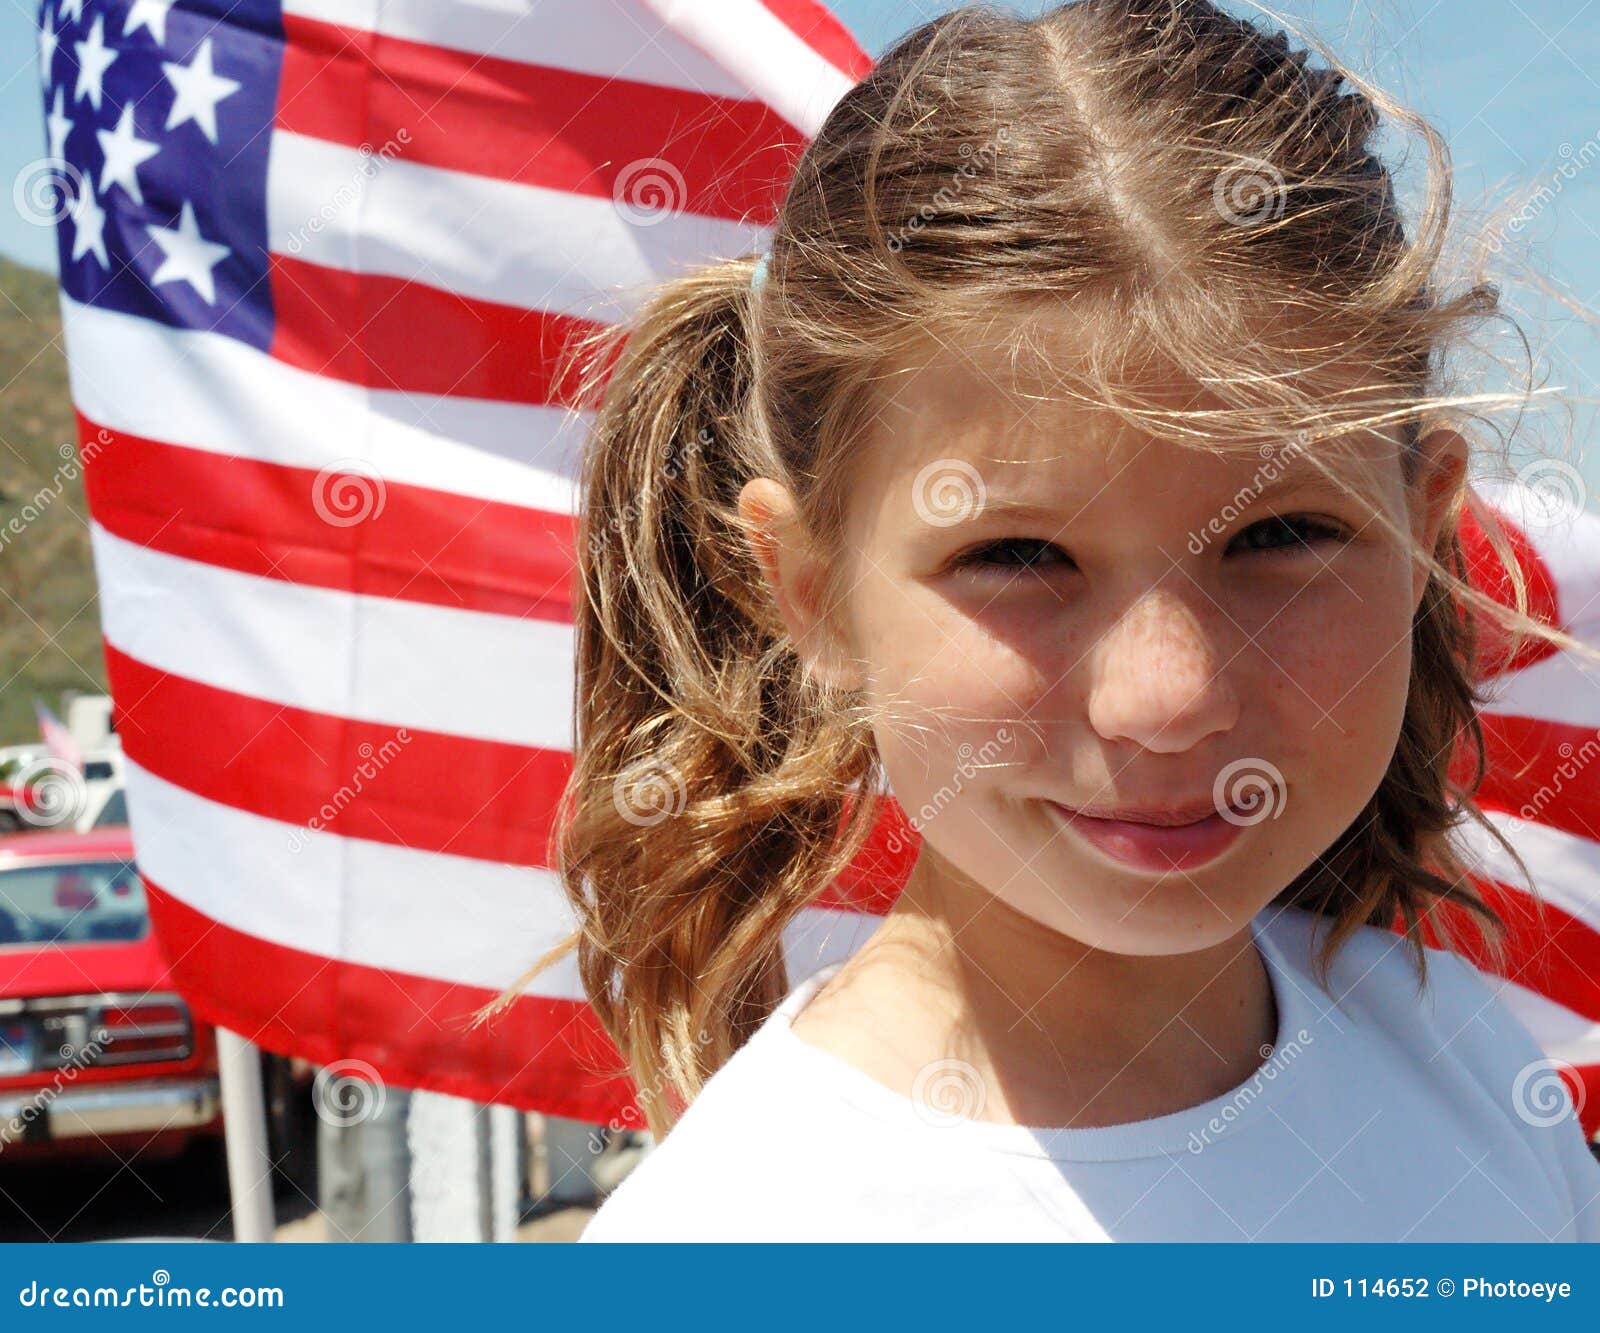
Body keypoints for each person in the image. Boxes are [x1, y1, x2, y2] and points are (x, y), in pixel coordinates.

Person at [510, 0, 1600, 1240]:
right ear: (809, 592)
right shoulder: (739, 1238)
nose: (1169, 697)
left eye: (1278, 535)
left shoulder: (1459, 1061)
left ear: (1421, 531)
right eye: (1016, 555)